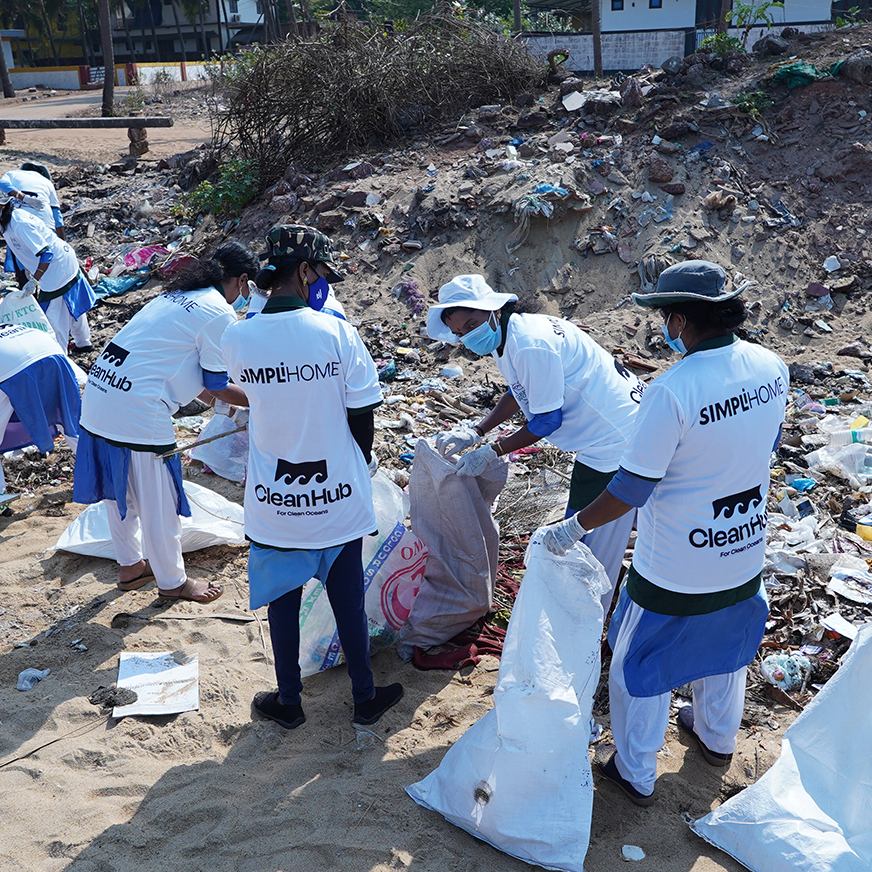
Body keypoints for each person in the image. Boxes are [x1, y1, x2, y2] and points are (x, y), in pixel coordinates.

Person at [542, 261, 788, 806]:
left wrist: (574, 526)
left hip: (676, 562)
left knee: (640, 666)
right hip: (743, 550)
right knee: (726, 648)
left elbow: (631, 489)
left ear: (678, 321)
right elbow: (768, 446)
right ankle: (717, 741)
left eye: (665, 319)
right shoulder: (772, 367)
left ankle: (634, 772)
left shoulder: (671, 390)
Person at [222, 224, 403, 730]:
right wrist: (355, 470)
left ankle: (289, 702)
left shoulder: (237, 336)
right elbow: (362, 412)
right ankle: (365, 698)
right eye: (320, 272)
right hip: (338, 496)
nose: (322, 282)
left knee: (283, 603)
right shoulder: (336, 332)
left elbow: (248, 397)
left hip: (275, 501)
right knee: (348, 598)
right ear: (303, 271)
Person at [426, 274, 647, 614]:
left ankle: (588, 618)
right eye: (459, 333)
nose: (468, 336)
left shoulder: (529, 342)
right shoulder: (512, 336)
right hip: (610, 434)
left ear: (495, 310)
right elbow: (520, 391)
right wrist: (477, 430)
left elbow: (546, 421)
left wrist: (492, 451)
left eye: (471, 324)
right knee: (613, 526)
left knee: (584, 540)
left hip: (616, 440)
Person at [72, 241, 258, 603]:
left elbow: (177, 366)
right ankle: (173, 582)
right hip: (138, 406)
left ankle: (130, 566)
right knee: (158, 497)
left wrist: (222, 400)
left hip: (100, 392)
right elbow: (216, 383)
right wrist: (268, 400)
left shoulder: (173, 296)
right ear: (243, 280)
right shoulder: (218, 311)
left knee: (119, 490)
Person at [0, 163, 93, 353]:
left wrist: (34, 280)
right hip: (61, 258)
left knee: (54, 318)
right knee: (70, 301)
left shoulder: (19, 223)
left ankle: (60, 356)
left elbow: (47, 253)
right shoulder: (6, 221)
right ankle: (84, 343)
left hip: (57, 264)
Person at [0, 322, 80, 510]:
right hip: (53, 355)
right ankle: (100, 472)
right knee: (69, 419)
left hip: (15, 369)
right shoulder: (13, 325)